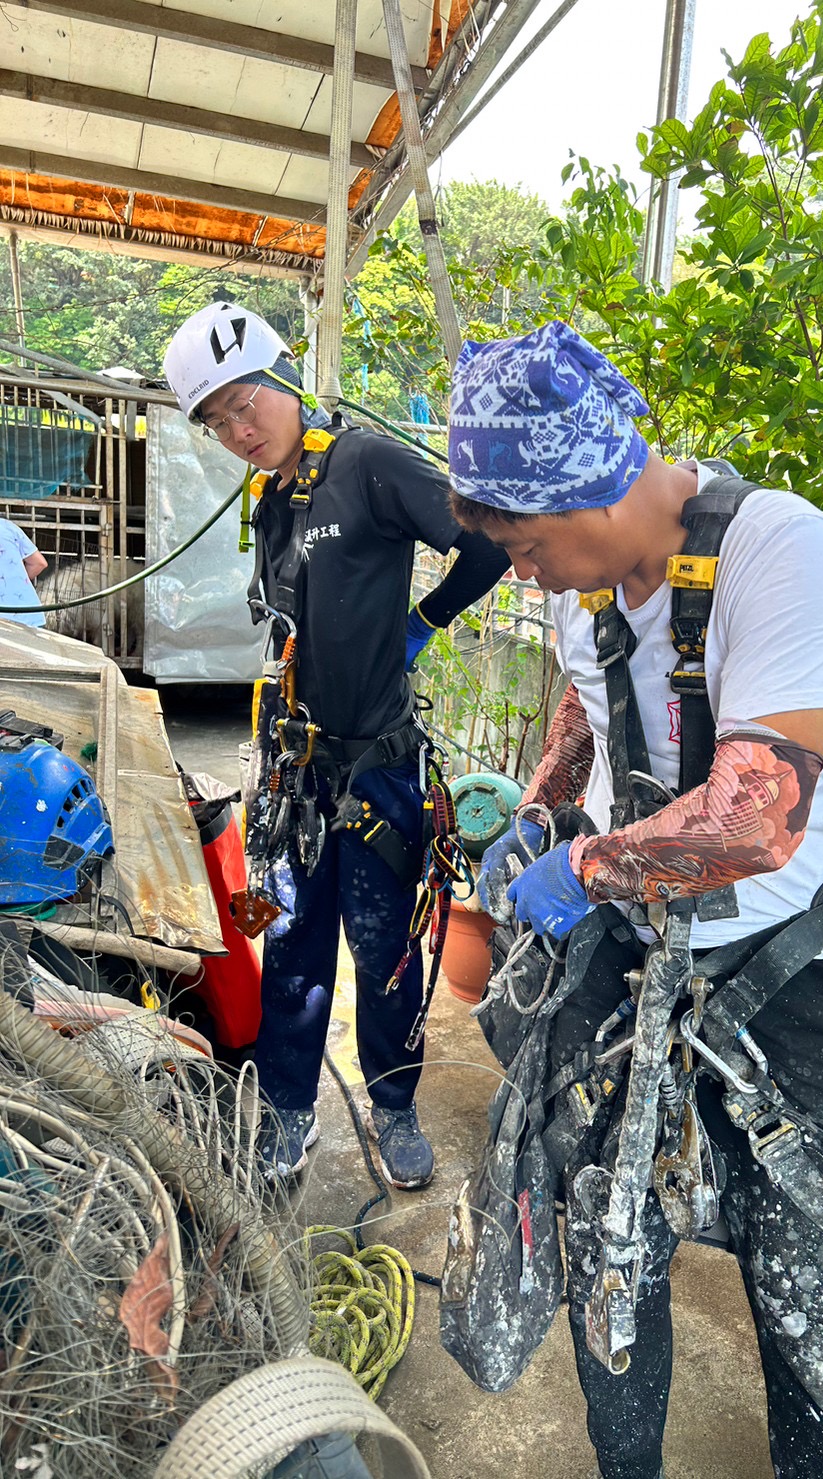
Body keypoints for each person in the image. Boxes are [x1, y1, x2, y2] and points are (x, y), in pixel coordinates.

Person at [447, 321, 823, 1478]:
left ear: (587, 489)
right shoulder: (578, 587)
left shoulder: (778, 551)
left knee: (813, 1301)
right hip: (637, 951)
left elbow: (753, 821)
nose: (522, 569)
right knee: (608, 1246)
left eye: (527, 544)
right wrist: (539, 816)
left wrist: (584, 868)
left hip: (793, 969)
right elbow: (587, 712)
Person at [163, 302, 508, 1188]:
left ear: (284, 376)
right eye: (219, 420)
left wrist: (423, 620)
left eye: (248, 403)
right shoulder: (276, 494)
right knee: (292, 945)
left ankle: (393, 1109)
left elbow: (485, 544)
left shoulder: (366, 461)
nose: (240, 429)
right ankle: (287, 1108)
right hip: (295, 772)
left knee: (385, 950)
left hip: (377, 770)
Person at [0, 517, 47, 627]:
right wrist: (15, 583)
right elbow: (39, 563)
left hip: (5, 623)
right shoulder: (6, 525)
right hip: (32, 616)